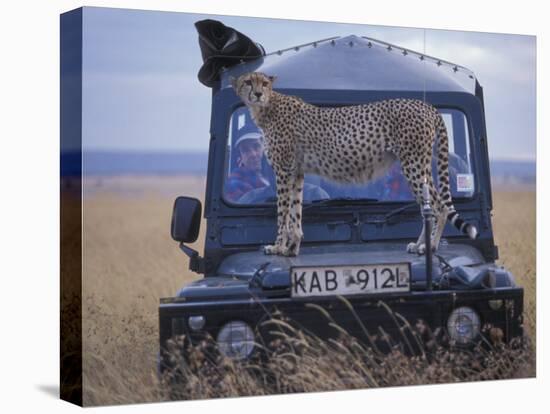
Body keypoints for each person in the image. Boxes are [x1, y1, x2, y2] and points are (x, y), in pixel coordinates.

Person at [224, 132, 270, 202]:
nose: (253, 154)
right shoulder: (236, 183)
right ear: (240, 157)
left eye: (256, 146)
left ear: (264, 147)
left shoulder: (274, 173)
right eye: (246, 150)